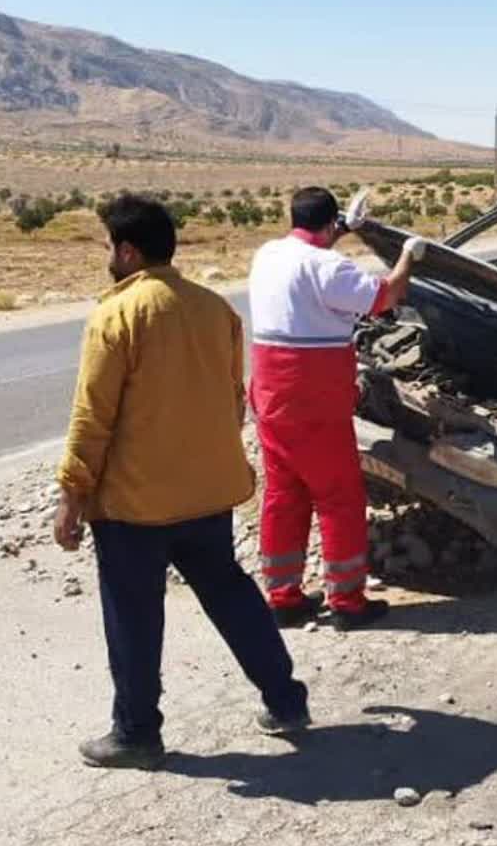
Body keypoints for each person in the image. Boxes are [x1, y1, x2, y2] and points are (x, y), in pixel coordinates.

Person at [54, 194, 309, 769]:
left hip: (135, 504)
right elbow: (232, 401)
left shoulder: (116, 315)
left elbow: (91, 418)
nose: (107, 257)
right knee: (232, 595)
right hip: (208, 493)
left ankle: (136, 733)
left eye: (109, 247)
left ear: (128, 251)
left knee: (133, 616)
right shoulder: (215, 310)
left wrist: (71, 496)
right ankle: (286, 701)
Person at [247, 188, 423, 629]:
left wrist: (347, 226)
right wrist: (409, 255)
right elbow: (386, 296)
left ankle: (282, 596)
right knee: (338, 498)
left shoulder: (268, 255)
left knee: (284, 495)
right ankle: (347, 602)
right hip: (314, 403)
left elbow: (313, 250)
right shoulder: (329, 267)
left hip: (271, 398)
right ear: (329, 224)